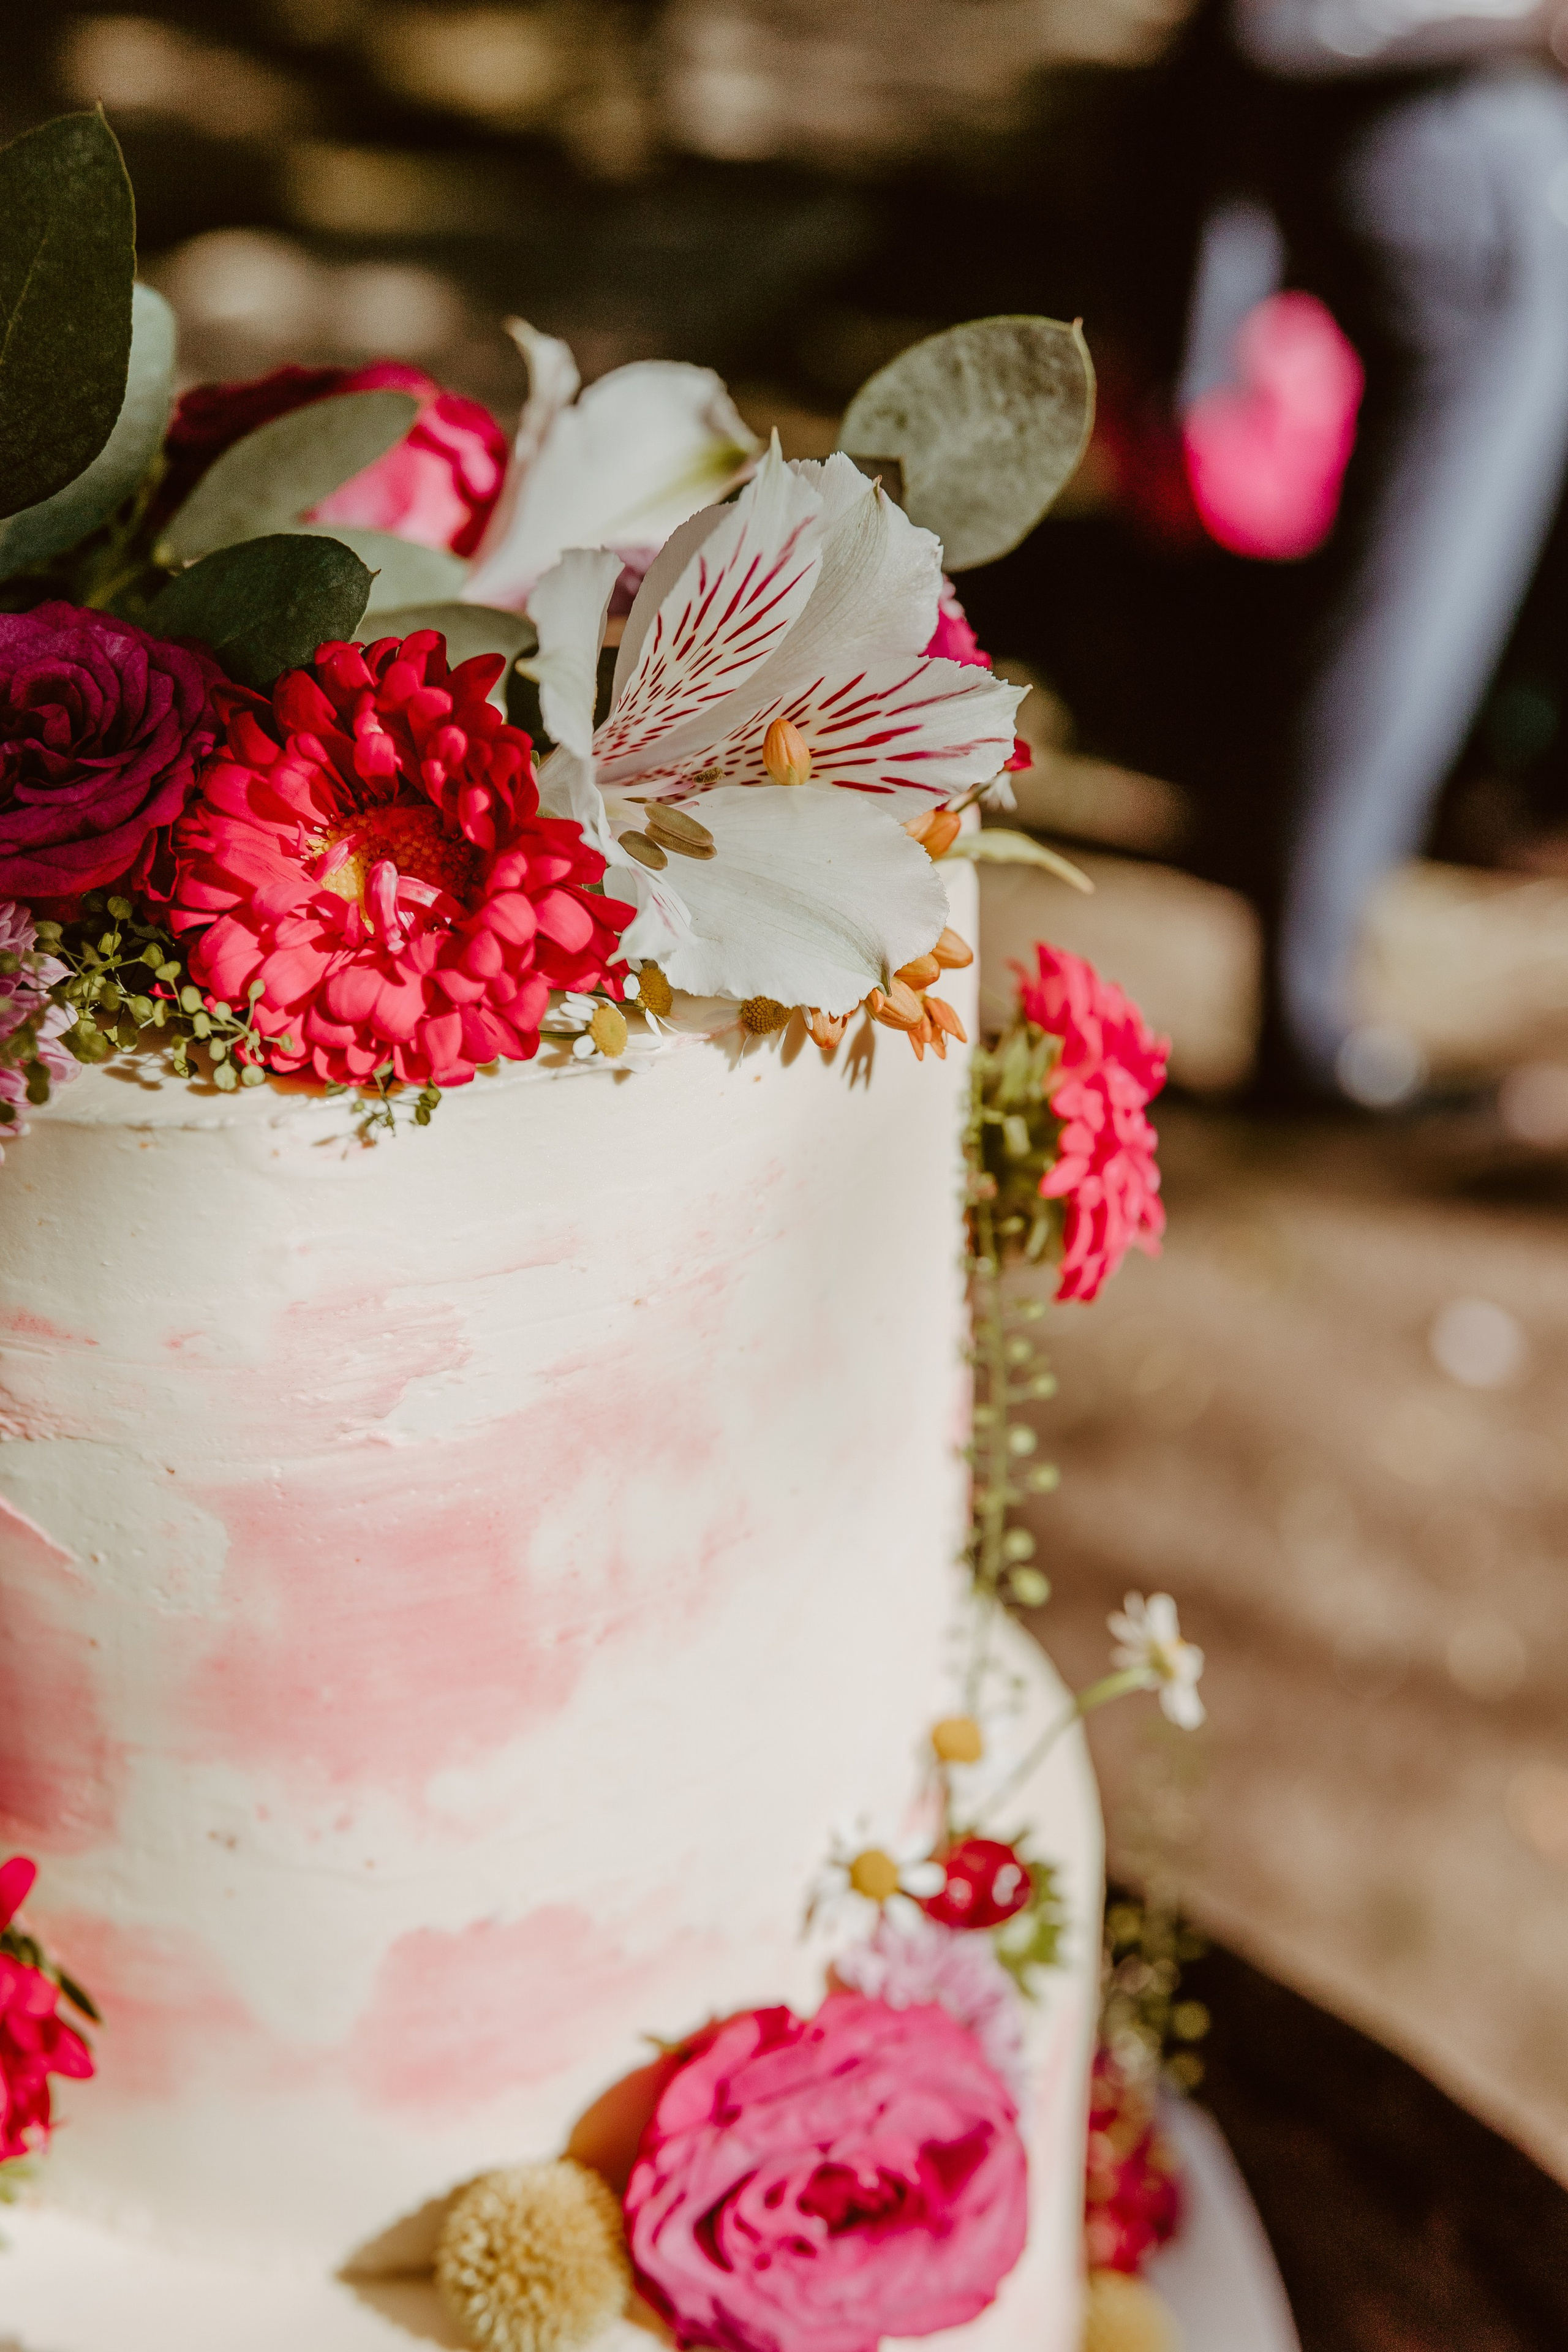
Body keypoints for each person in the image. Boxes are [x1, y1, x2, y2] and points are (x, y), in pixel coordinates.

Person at [1185, 0, 1568, 1099]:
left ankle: (1317, 985)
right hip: (1457, 166)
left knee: (1418, 590)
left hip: (1455, 153)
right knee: (1420, 595)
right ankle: (1310, 1014)